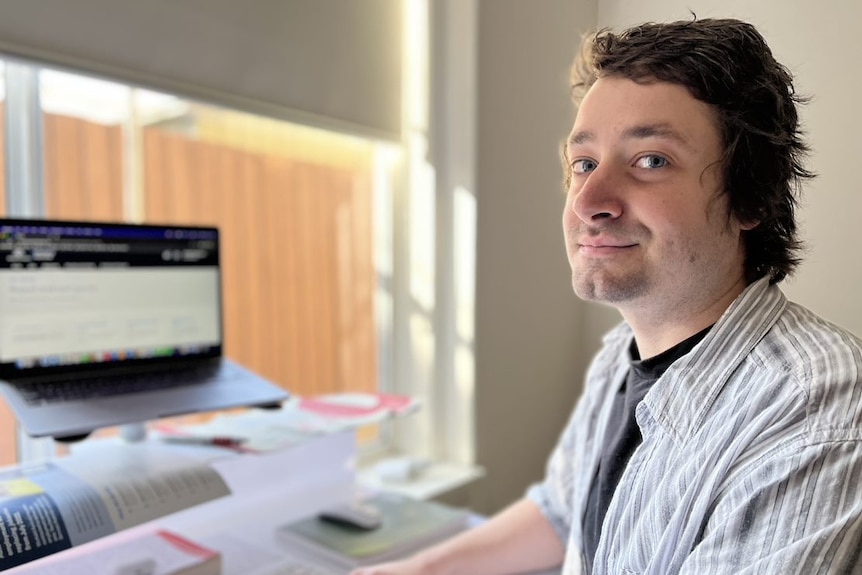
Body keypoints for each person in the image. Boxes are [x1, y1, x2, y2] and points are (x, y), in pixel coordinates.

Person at [351, 17, 862, 575]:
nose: (588, 199)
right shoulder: (619, 358)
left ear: (750, 201)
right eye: (584, 163)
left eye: (651, 161)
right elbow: (561, 514)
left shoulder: (815, 406)